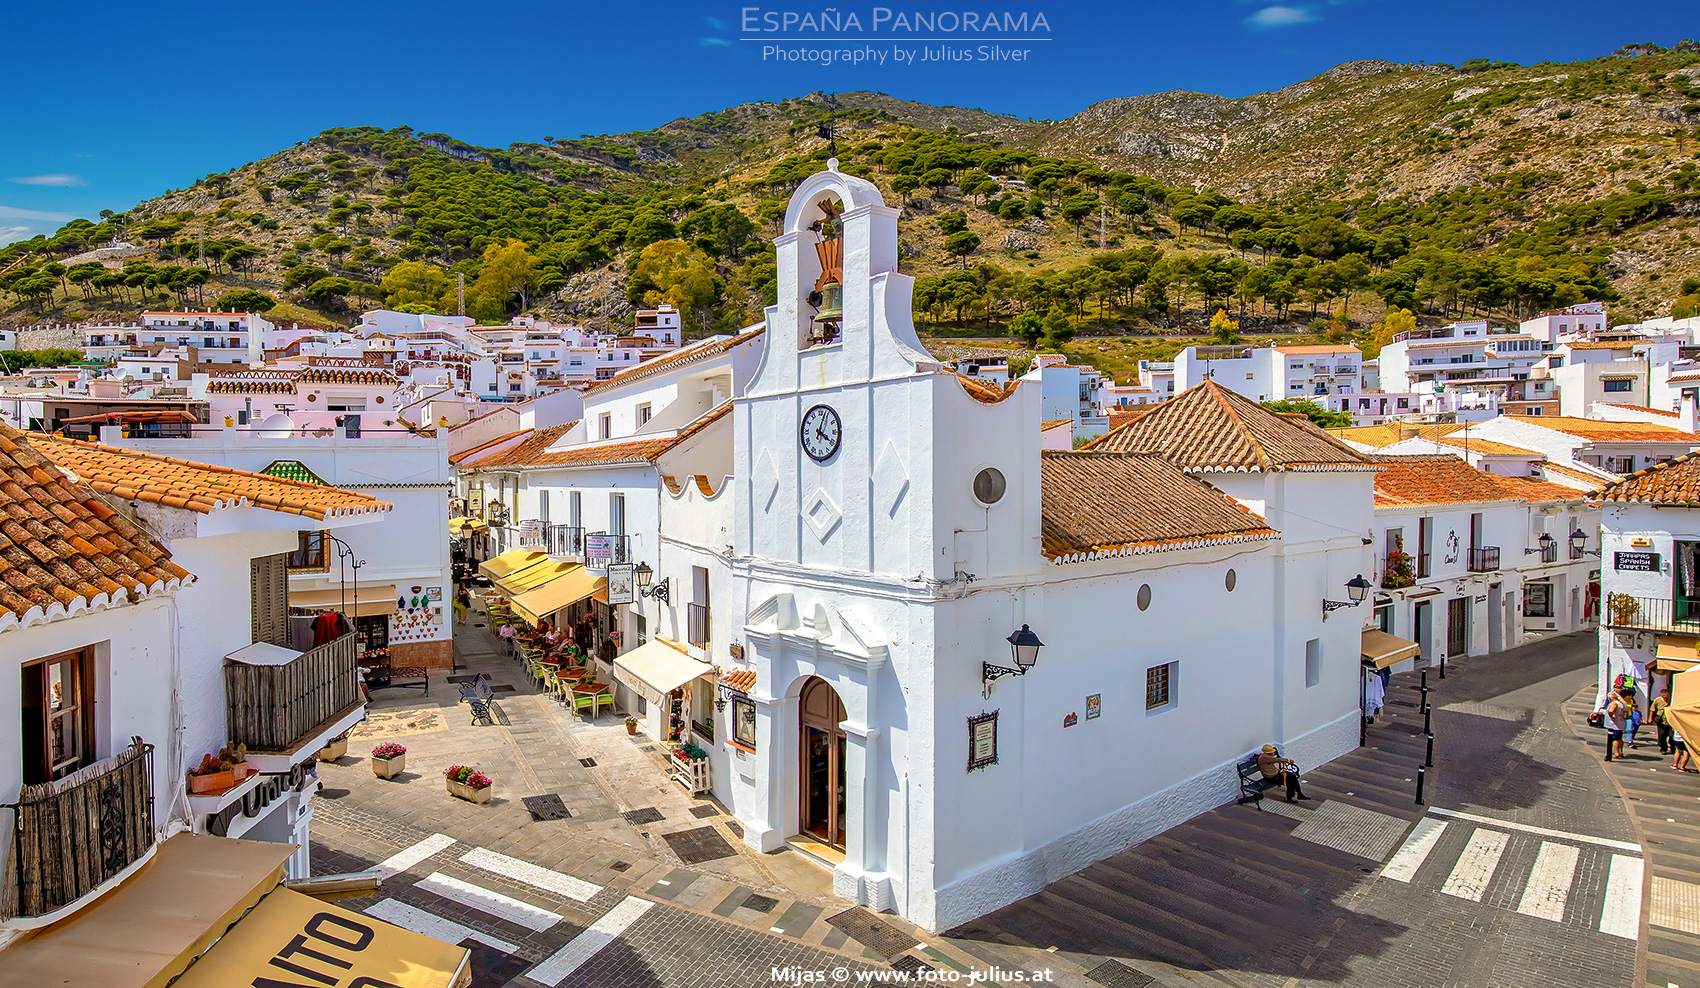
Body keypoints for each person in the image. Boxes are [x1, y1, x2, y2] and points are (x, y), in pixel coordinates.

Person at [1604, 690, 1628, 761]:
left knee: (1615, 739)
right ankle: (1620, 752)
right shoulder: (1622, 703)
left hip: (1615, 724)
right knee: (1619, 738)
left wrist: (1611, 716)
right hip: (1621, 722)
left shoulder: (1614, 703)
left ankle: (1616, 753)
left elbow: (1611, 711)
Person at [1653, 687, 1673, 756]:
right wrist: (1650, 718)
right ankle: (1663, 749)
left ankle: (1673, 748)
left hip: (1671, 721)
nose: (1664, 697)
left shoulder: (1672, 699)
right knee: (1662, 735)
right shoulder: (1657, 700)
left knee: (1671, 736)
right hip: (1661, 720)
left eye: (1666, 696)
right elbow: (1652, 709)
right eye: (1663, 696)